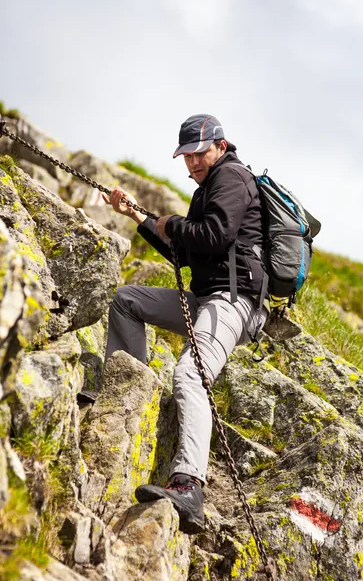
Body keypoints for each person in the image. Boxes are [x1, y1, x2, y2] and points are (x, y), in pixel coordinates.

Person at [103, 114, 268, 534]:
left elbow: (213, 235)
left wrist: (171, 222)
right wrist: (139, 217)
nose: (192, 163)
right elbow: (187, 251)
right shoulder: (207, 189)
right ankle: (127, 390)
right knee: (127, 300)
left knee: (191, 375)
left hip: (234, 302)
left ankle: (190, 486)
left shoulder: (232, 178)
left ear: (221, 145)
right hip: (206, 298)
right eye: (186, 156)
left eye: (198, 153)